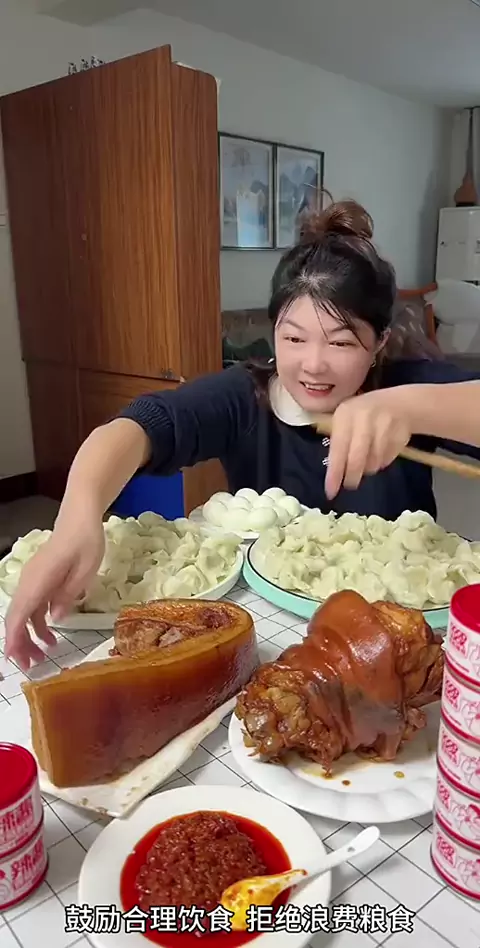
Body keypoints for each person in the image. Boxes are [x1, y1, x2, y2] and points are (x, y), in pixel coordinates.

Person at [6, 198, 480, 670]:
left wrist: (414, 407)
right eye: (294, 338)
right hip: (270, 637)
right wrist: (77, 518)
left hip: (392, 640)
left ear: (378, 343)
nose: (314, 364)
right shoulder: (247, 396)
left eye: (340, 342)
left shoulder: (406, 388)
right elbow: (137, 427)